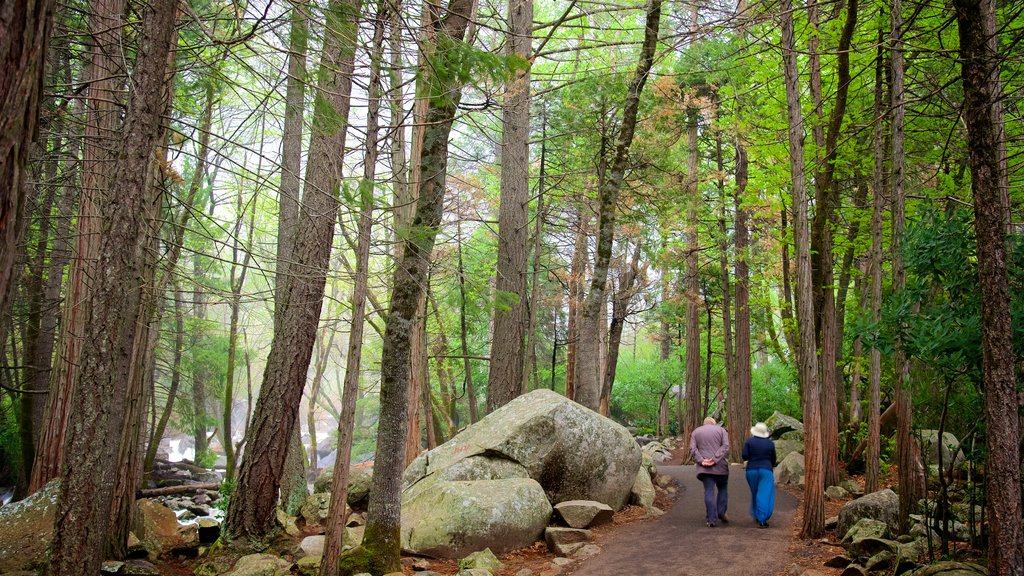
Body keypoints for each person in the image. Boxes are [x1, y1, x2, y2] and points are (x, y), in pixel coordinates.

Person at [690, 416, 730, 527]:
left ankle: (711, 519)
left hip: (705, 469)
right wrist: (715, 459)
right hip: (721, 467)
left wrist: (702, 461)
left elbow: (693, 449)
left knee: (709, 491)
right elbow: (726, 446)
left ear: (704, 423)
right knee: (722, 488)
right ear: (714, 423)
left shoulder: (696, 432)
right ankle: (721, 511)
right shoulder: (721, 430)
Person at [742, 422, 777, 529]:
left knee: (755, 492)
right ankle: (762, 519)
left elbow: (744, 456)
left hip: (751, 470)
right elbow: (773, 460)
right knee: (764, 494)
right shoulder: (770, 444)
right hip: (766, 470)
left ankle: (756, 513)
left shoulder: (749, 442)